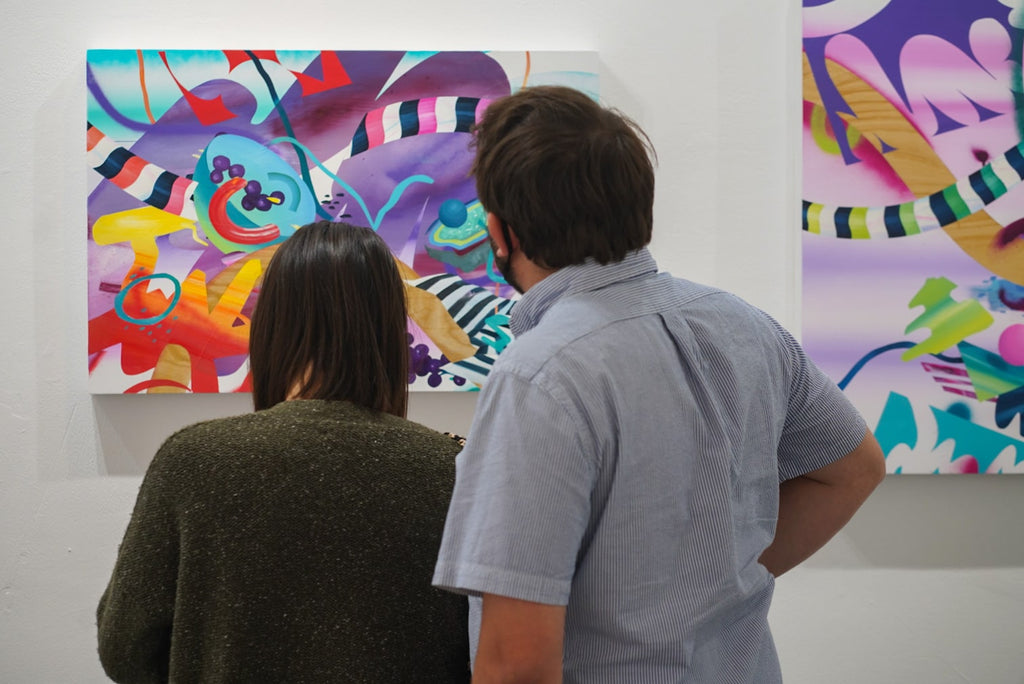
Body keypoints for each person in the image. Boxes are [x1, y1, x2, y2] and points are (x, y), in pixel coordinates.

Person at [431, 86, 887, 683]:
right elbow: (853, 469)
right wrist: (719, 588)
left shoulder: (539, 376)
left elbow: (517, 664)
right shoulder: (747, 328)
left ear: (501, 230)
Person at [98, 221, 471, 683]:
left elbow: (125, 648)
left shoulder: (193, 460)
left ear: (271, 325)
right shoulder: (454, 469)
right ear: (391, 332)